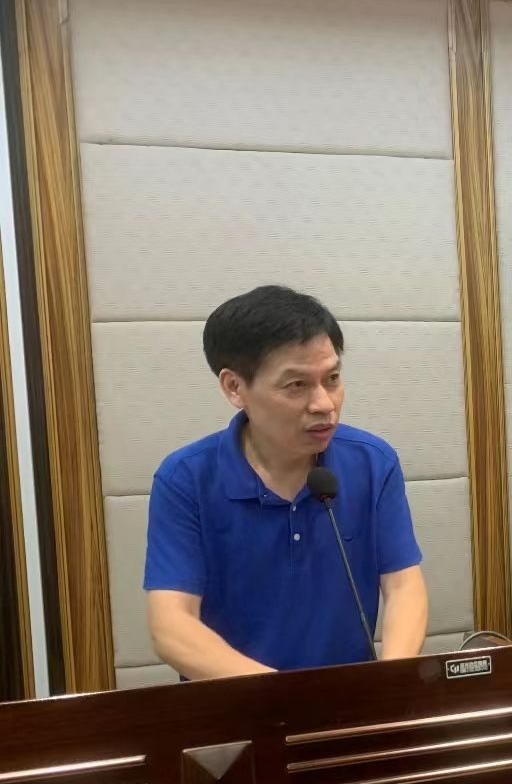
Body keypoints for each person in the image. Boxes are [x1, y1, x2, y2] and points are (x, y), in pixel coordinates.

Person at [144, 285, 428, 679]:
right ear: (234, 387)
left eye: (332, 378)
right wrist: (282, 700)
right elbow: (172, 626)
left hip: (352, 702)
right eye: (296, 385)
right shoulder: (185, 479)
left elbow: (403, 588)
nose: (324, 404)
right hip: (235, 703)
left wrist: (391, 683)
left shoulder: (372, 463)